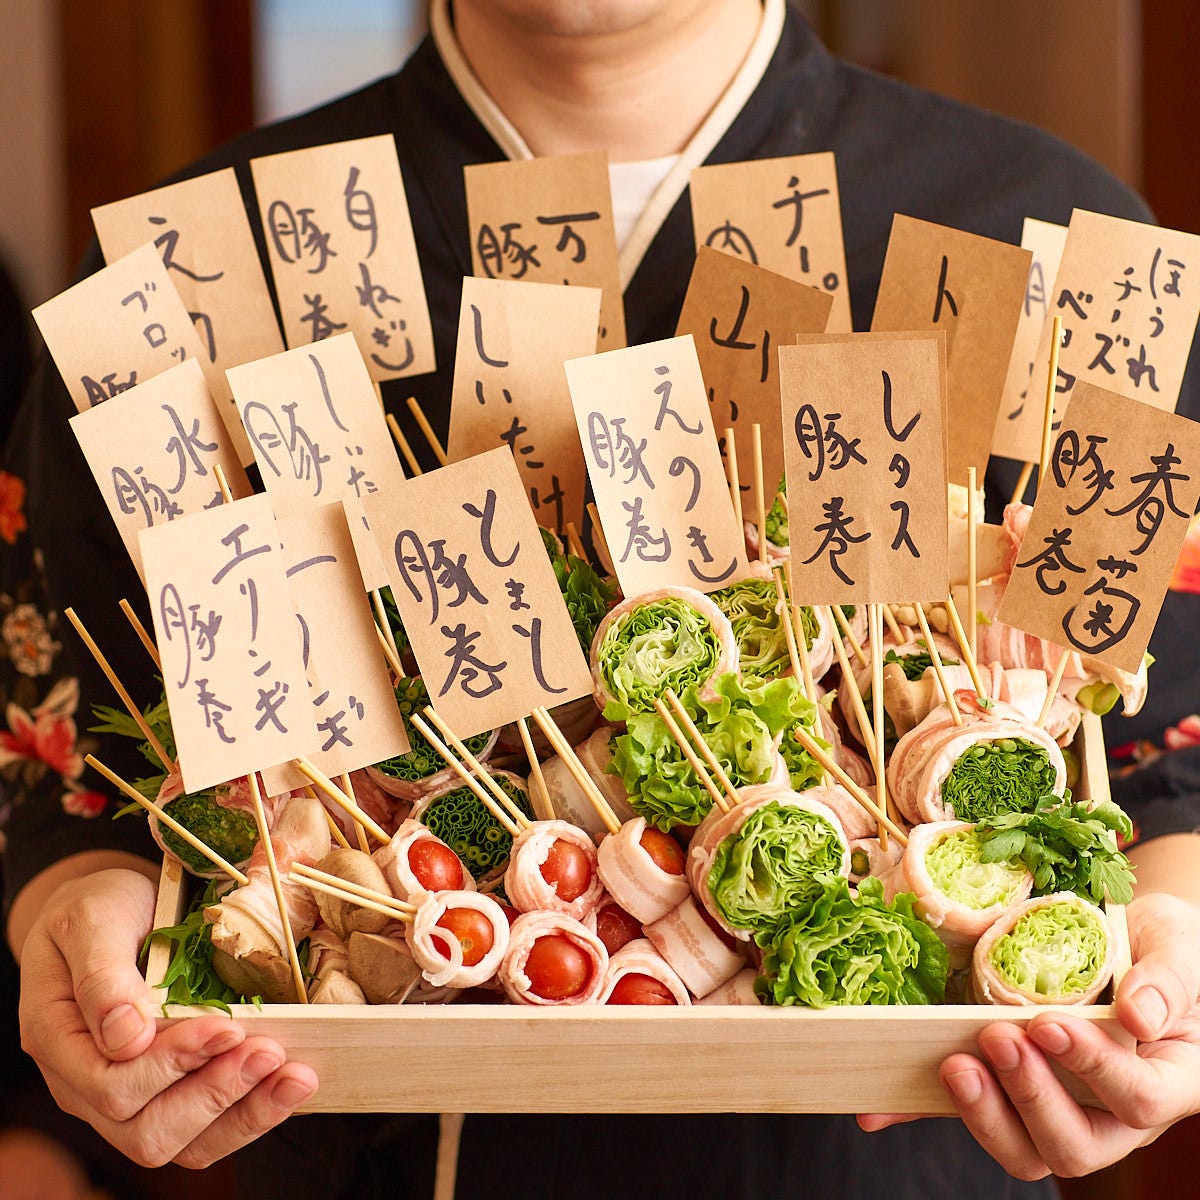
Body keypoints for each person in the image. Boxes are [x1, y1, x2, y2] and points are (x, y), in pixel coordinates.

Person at [6, 2, 1200, 1196]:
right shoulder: (192, 273)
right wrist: (82, 911)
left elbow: (1160, 769)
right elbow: (65, 764)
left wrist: (1171, 957)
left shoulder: (1035, 230)